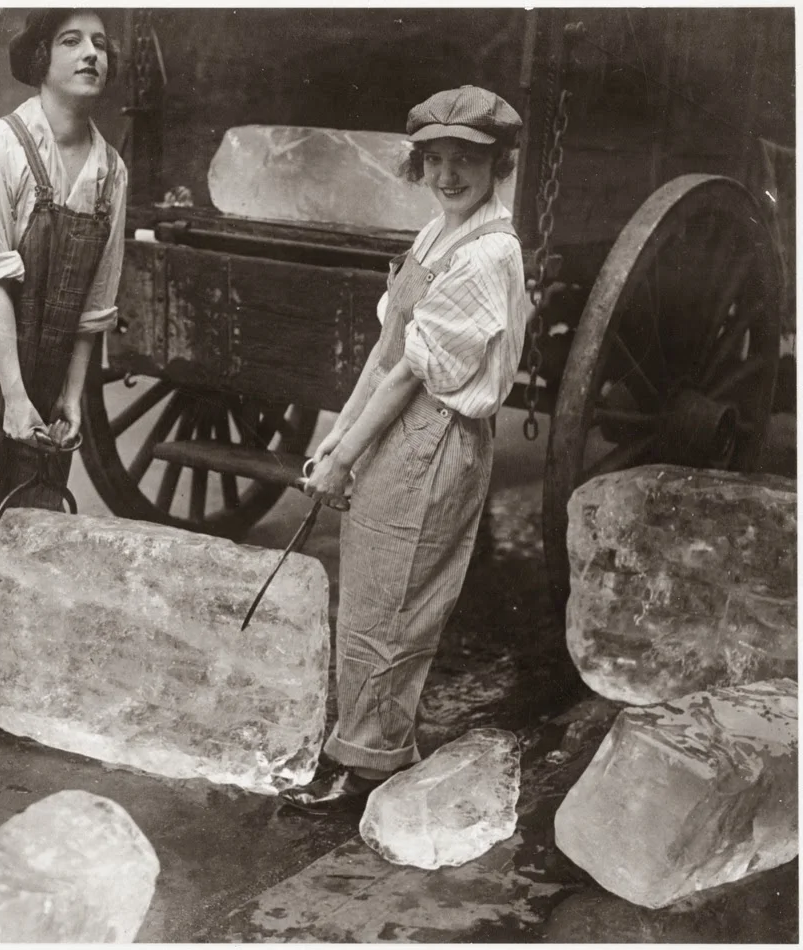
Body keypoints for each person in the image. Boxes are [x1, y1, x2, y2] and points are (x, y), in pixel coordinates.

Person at [281, 86, 526, 813]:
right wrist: (336, 440)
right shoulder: (434, 235)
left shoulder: (488, 253)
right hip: (397, 428)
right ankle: (364, 747)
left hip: (437, 440)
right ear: (420, 166)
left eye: (468, 161)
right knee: (368, 596)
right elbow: (385, 355)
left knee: (397, 607)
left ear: (499, 164)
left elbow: (415, 374)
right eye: (437, 160)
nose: (450, 175)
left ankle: (370, 764)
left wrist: (349, 454)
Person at [0, 9, 126, 749]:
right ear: (40, 57)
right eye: (72, 41)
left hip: (45, 368)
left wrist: (68, 397)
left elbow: (94, 306)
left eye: (101, 43)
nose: (91, 54)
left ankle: (26, 681)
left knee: (34, 523)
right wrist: (13, 395)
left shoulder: (110, 173)